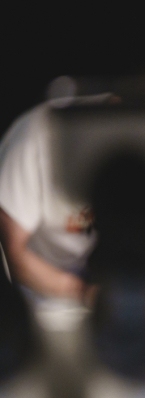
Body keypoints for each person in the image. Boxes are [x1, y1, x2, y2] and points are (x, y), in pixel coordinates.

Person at [0, 105, 94, 301]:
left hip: (103, 272)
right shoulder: (35, 138)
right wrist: (86, 294)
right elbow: (14, 254)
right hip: (35, 283)